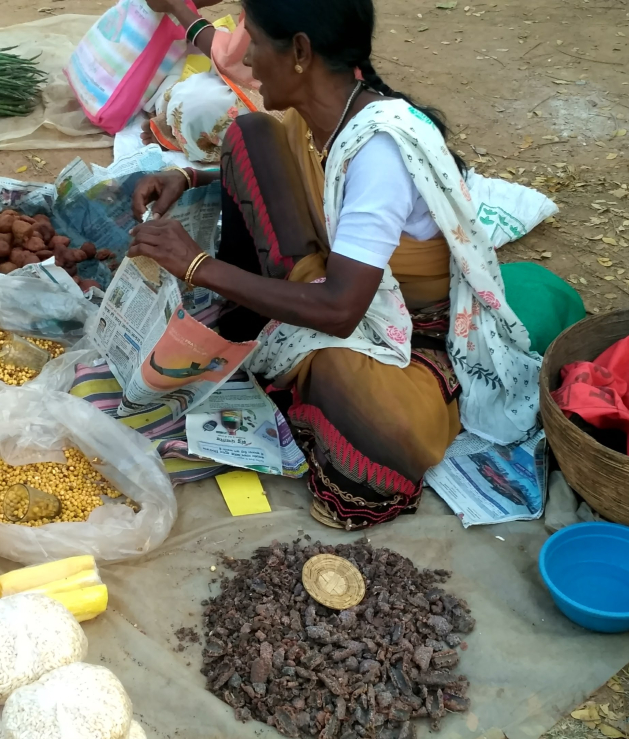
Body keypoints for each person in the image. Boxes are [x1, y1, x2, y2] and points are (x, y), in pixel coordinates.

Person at [127, 0, 561, 529]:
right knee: (251, 137)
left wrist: (196, 266)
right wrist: (192, 180)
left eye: (257, 44)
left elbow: (341, 311)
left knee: (369, 416)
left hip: (400, 326)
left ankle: (260, 323)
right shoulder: (323, 114)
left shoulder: (380, 151)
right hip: (339, 280)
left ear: (302, 52)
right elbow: (301, 173)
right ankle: (243, 317)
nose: (250, 61)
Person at [140, 0, 268, 162]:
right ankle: (172, 120)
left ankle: (176, 131)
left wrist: (177, 7)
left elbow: (231, 57)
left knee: (195, 105)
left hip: (273, 90)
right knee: (183, 53)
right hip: (248, 67)